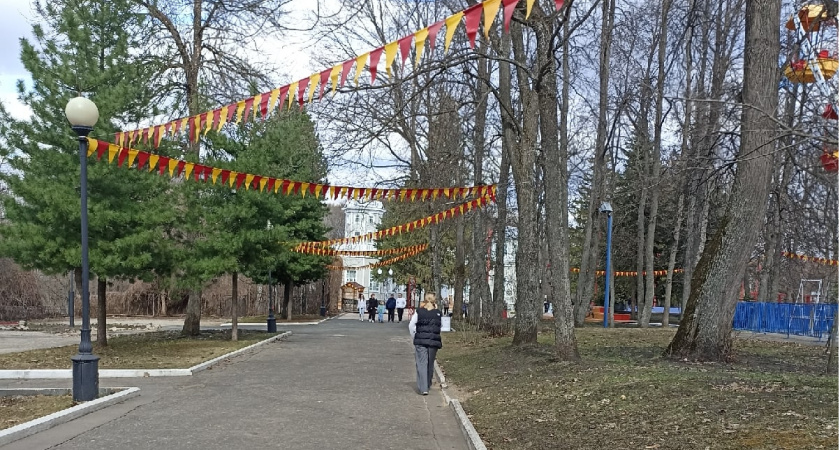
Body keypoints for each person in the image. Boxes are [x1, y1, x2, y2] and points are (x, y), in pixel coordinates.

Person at [409, 293, 442, 395]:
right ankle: (428, 383)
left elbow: (411, 325)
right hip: (433, 341)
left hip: (421, 341)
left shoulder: (419, 312)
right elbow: (440, 327)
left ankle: (423, 388)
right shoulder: (438, 313)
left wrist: (414, 336)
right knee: (430, 364)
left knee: (422, 363)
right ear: (434, 301)